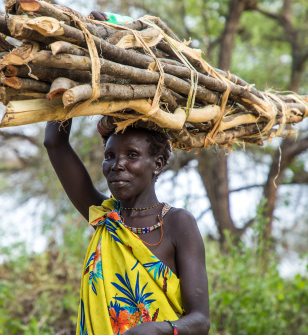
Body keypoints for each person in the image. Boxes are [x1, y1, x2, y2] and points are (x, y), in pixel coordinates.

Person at [44, 116, 210, 335]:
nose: (117, 165)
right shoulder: (105, 217)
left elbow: (200, 320)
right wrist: (65, 89)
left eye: (132, 155)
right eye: (110, 156)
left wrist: (161, 329)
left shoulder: (178, 223)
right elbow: (54, 144)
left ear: (157, 163)